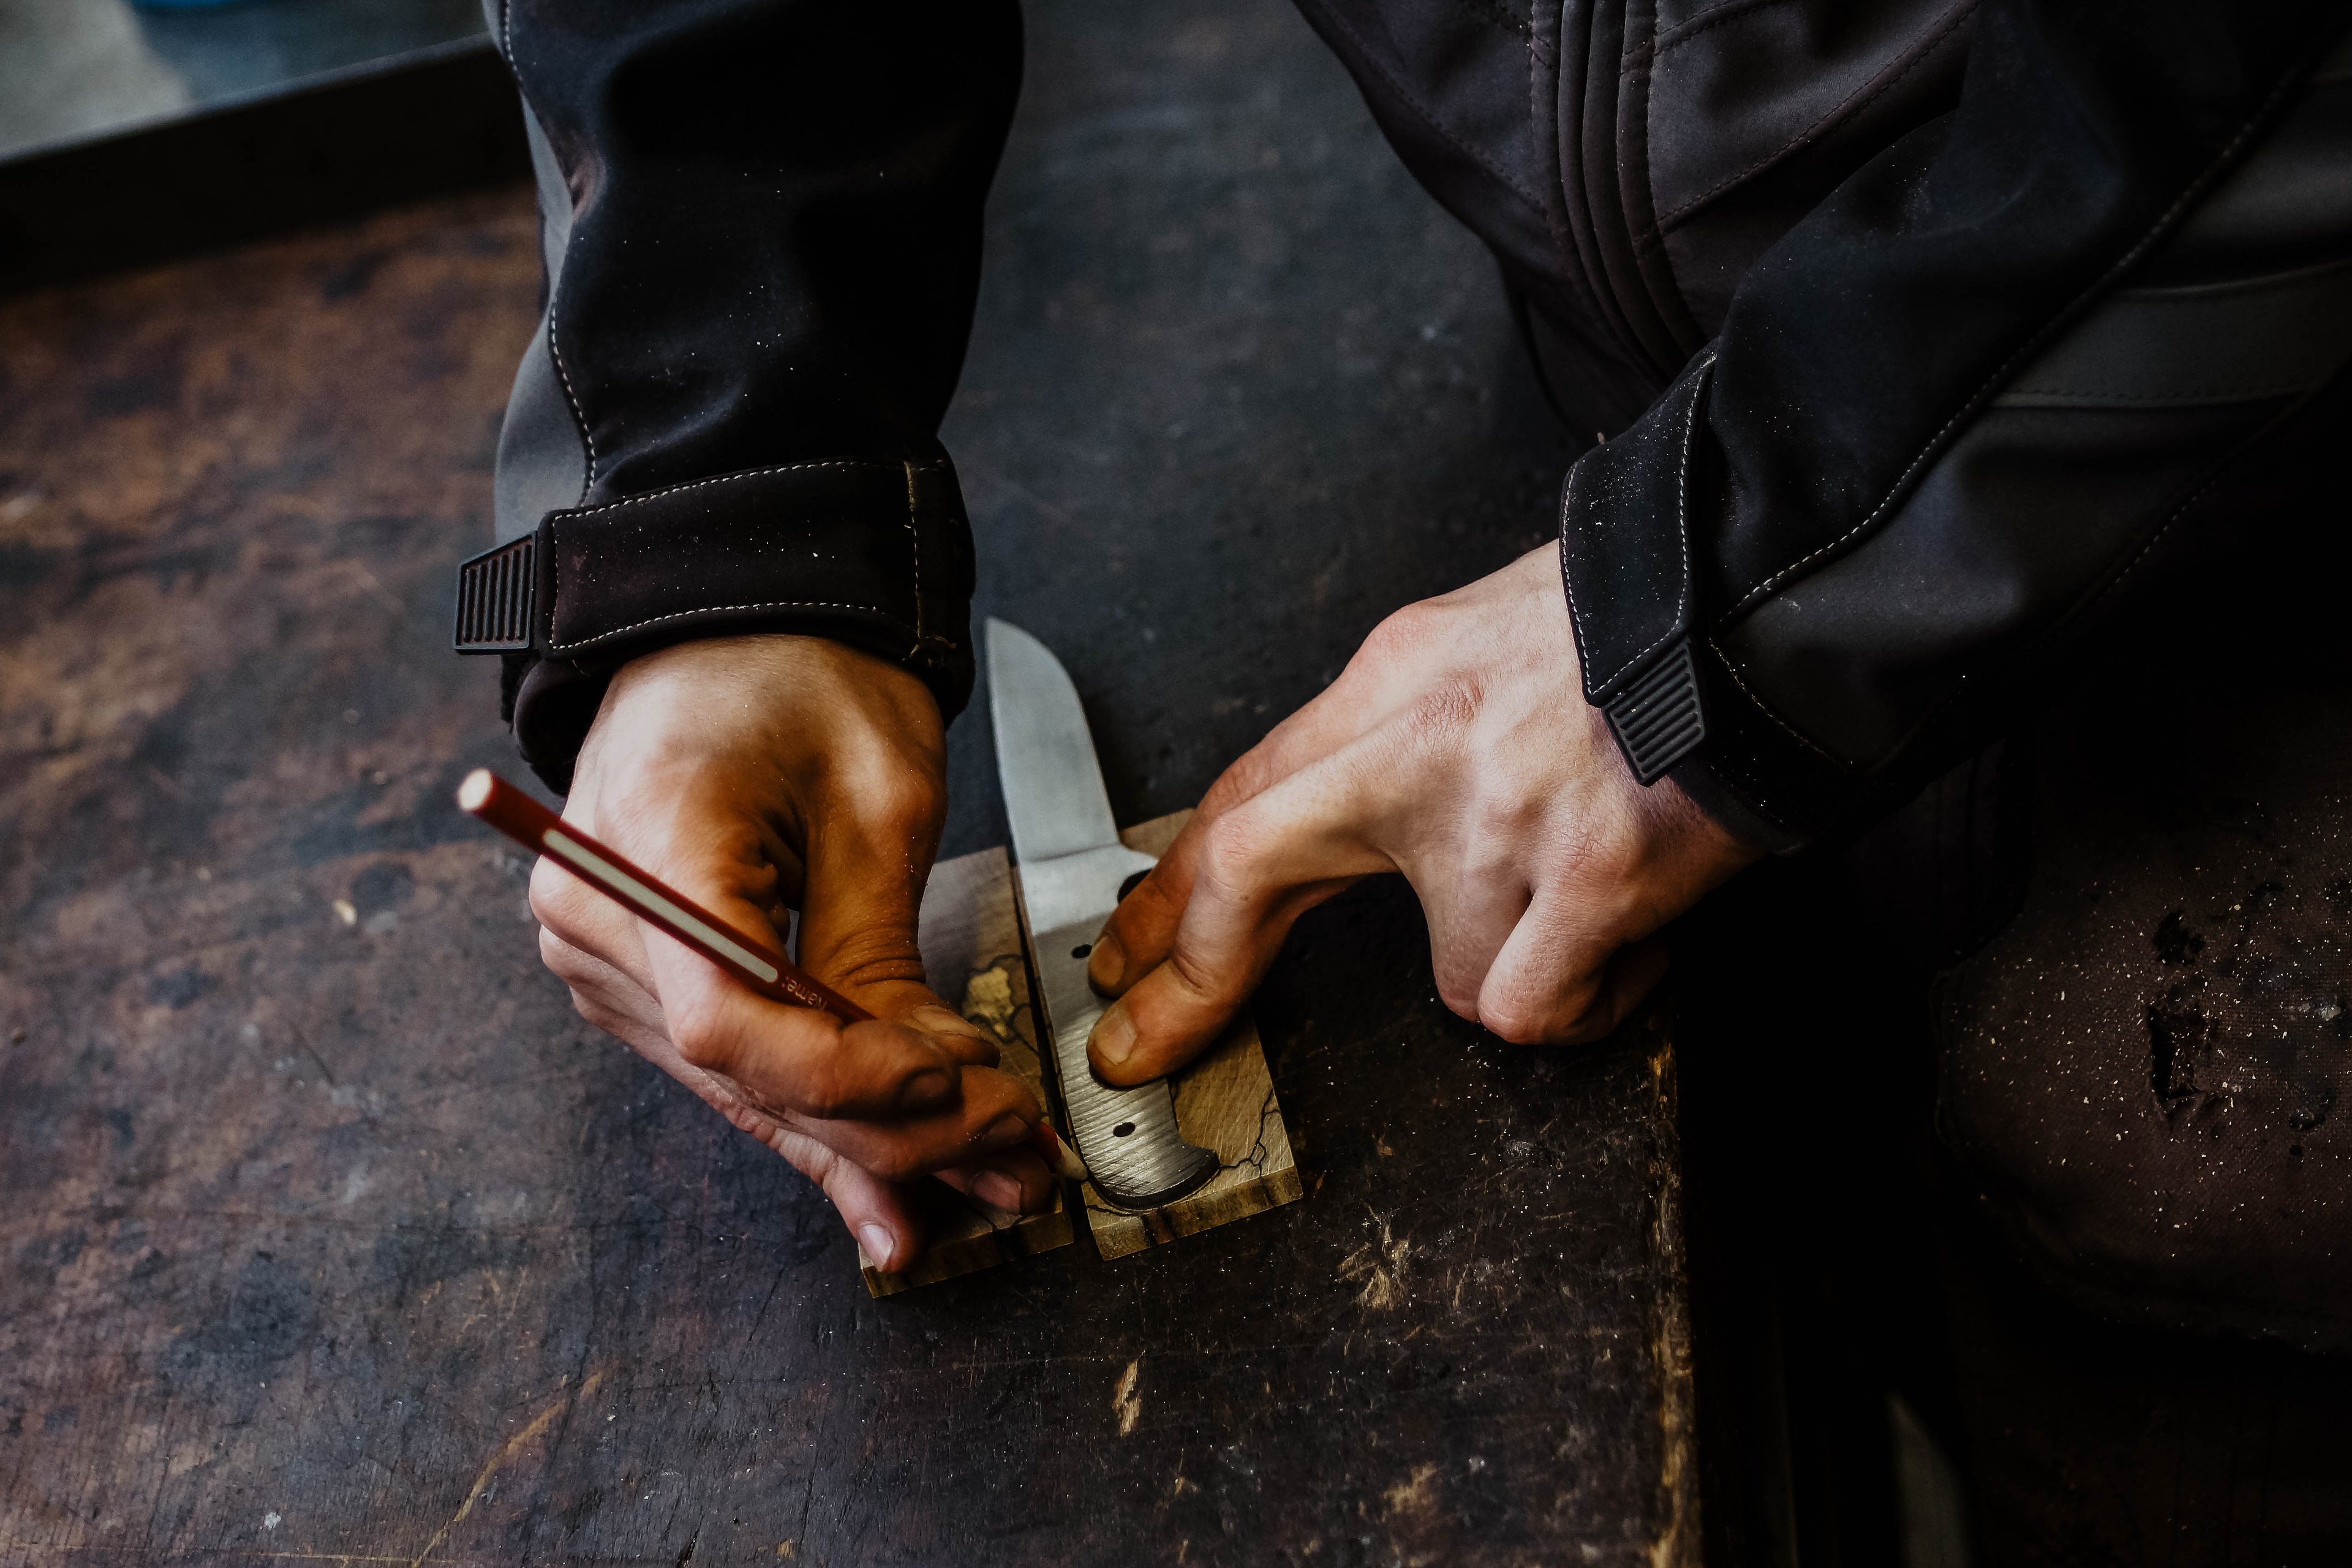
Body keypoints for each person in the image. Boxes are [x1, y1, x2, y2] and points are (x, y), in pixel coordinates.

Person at [454, 0, 2351, 1275]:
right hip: (1636, 408)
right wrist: (722, 491)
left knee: (2165, 1190)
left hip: (2250, 455)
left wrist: (1748, 590)